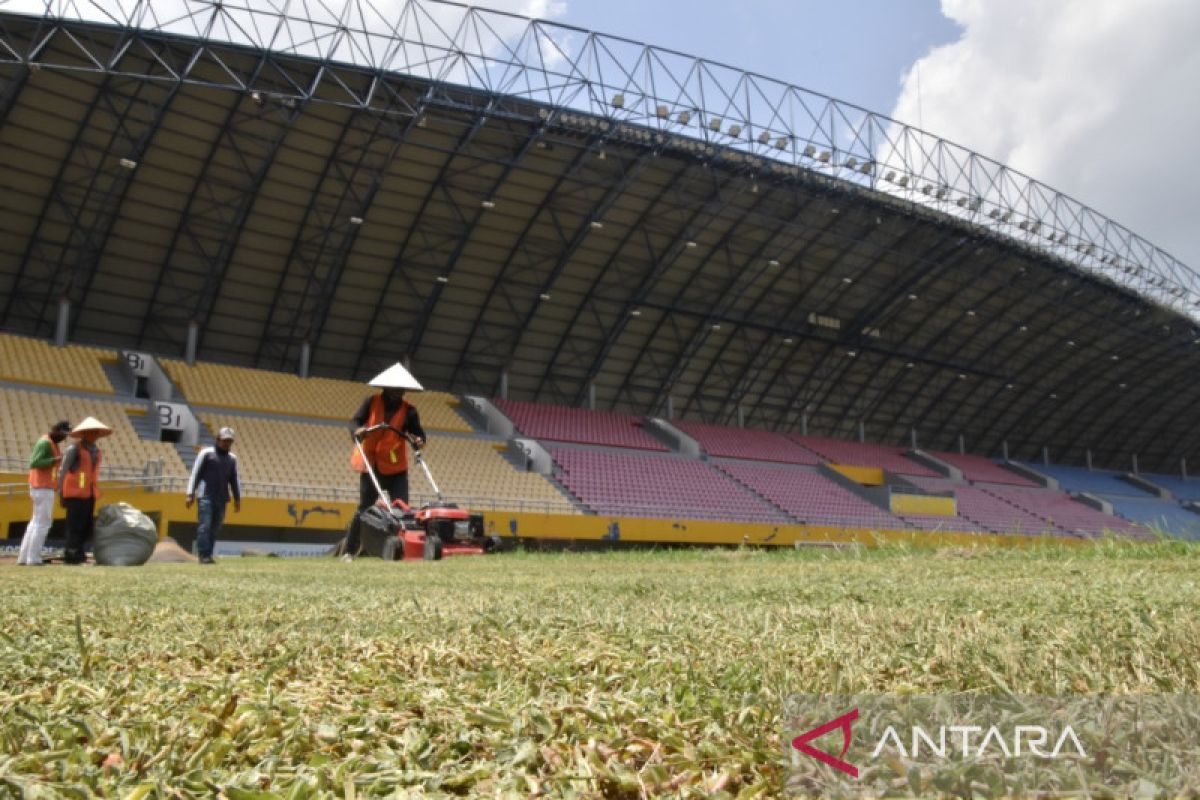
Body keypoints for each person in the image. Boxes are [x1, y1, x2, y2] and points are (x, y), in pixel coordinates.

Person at [344, 362, 427, 559]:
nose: (400, 393)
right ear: (386, 388)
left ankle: (400, 550)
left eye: (402, 389)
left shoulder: (409, 411)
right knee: (364, 509)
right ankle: (349, 551)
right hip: (371, 465)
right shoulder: (370, 402)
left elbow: (419, 434)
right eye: (396, 389)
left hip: (396, 468)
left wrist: (418, 440)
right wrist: (358, 431)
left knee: (402, 509)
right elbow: (354, 422)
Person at [58, 417, 112, 565]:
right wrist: (60, 493)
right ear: (84, 433)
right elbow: (62, 471)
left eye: (96, 432)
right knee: (74, 525)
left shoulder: (96, 451)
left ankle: (79, 552)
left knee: (85, 525)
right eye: (92, 432)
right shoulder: (74, 449)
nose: (95, 435)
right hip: (75, 494)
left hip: (89, 494)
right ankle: (71, 554)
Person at [185, 426, 242, 565]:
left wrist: (237, 498)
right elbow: (196, 473)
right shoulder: (206, 453)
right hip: (205, 496)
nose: (226, 443)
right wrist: (190, 493)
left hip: (222, 498)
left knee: (215, 527)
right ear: (217, 439)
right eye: (224, 440)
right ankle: (203, 555)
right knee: (205, 525)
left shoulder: (232, 459)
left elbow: (234, 479)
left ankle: (208, 555)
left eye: (229, 441)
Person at [18, 420, 71, 566]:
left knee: (35, 523)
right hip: (42, 487)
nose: (64, 437)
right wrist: (58, 459)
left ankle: (24, 557)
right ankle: (33, 558)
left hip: (42, 487)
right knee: (43, 523)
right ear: (56, 430)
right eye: (63, 433)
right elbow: (34, 462)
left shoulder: (51, 443)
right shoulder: (45, 443)